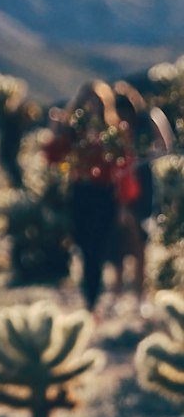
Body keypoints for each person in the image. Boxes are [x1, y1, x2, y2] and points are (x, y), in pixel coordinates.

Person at [44, 80, 132, 315]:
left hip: (104, 195)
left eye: (97, 101)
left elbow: (122, 164)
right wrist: (55, 130)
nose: (92, 105)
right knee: (84, 248)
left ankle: (93, 301)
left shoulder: (113, 132)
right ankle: (90, 300)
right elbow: (53, 158)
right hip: (80, 193)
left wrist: (123, 203)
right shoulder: (72, 131)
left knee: (98, 248)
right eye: (88, 101)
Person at [111, 81, 174, 308]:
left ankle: (140, 295)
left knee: (140, 241)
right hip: (120, 189)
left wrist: (139, 161)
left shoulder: (148, 120)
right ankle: (117, 294)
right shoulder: (114, 128)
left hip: (144, 186)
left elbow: (166, 146)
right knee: (119, 241)